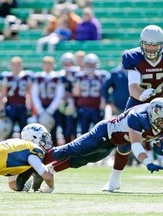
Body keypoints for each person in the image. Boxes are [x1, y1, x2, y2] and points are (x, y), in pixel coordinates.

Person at [17, 98, 163, 191]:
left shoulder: (156, 119)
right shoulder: (137, 117)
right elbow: (136, 144)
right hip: (105, 133)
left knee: (81, 160)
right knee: (72, 149)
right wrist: (148, 162)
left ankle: (46, 172)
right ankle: (27, 167)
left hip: (117, 141)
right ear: (153, 115)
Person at [103, 25, 163, 192]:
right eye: (147, 44)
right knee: (124, 142)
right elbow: (133, 88)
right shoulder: (133, 56)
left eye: (155, 45)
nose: (151, 48)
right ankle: (114, 178)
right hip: (139, 101)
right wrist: (144, 95)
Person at [31, 56, 65, 146]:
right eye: (45, 64)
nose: (47, 66)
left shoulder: (57, 77)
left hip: (53, 108)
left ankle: (54, 152)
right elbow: (34, 94)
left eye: (49, 64)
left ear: (53, 65)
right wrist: (40, 109)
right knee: (40, 133)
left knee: (53, 132)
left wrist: (51, 110)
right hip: (41, 107)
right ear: (42, 65)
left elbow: (59, 95)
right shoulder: (38, 76)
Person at [0, 56, 32, 139]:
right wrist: (2, 108)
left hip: (22, 106)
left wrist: (30, 106)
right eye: (14, 65)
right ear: (11, 66)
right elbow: (2, 94)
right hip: (11, 106)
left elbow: (29, 93)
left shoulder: (26, 77)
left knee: (24, 131)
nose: (16, 67)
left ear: (21, 66)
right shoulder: (7, 77)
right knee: (8, 131)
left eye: (18, 65)